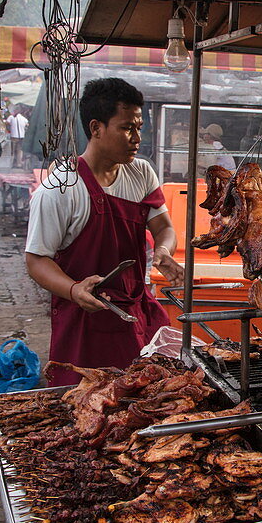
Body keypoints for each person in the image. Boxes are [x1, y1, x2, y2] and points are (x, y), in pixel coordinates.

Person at [25, 78, 184, 387]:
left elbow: (163, 226)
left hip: (135, 312)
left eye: (139, 128)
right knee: (85, 407)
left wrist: (163, 251)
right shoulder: (61, 189)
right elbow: (37, 260)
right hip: (84, 324)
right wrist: (73, 290)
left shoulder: (141, 172)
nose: (136, 138)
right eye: (127, 128)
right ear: (96, 128)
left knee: (146, 398)